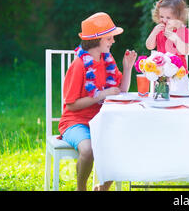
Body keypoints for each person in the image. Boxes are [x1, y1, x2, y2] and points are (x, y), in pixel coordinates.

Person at [58, 12, 137, 191]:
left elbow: (121, 91)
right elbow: (70, 105)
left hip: (100, 120)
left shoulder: (107, 60)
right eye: (109, 38)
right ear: (96, 40)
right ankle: (81, 188)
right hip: (75, 122)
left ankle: (102, 188)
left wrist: (127, 67)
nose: (113, 41)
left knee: (119, 145)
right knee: (88, 150)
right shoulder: (79, 65)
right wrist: (102, 94)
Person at [145, 0, 189, 92]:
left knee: (179, 99)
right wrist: (154, 33)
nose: (164, 20)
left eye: (169, 17)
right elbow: (149, 46)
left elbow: (185, 50)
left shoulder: (183, 31)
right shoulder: (158, 30)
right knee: (162, 99)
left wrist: (175, 38)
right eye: (161, 16)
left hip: (179, 74)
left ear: (179, 18)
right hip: (161, 72)